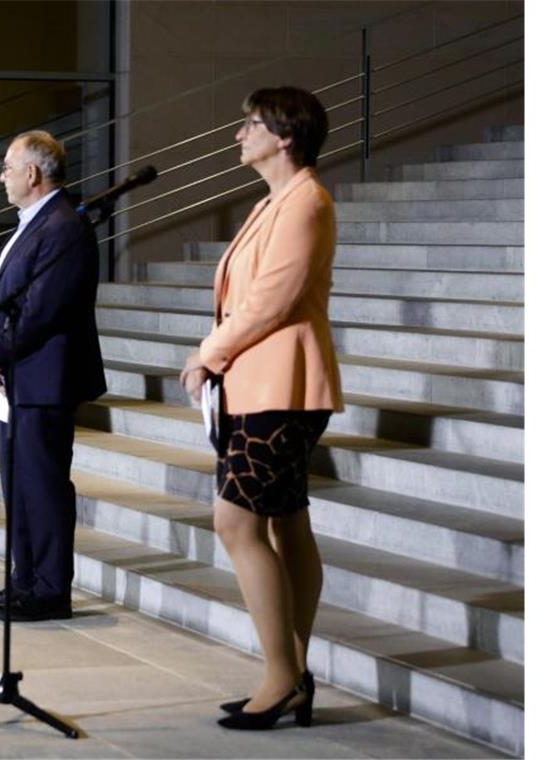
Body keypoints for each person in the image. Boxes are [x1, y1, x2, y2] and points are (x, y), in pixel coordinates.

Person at [180, 87, 342, 730]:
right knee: (284, 522)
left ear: (284, 134)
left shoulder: (308, 201)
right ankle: (293, 671)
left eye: (249, 124)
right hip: (260, 385)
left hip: (284, 387)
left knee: (235, 522)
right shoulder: (273, 201)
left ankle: (281, 676)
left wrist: (207, 353)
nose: (238, 134)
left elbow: (272, 300)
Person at [0, 130, 106, 622]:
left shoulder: (64, 226)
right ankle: (23, 580)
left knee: (43, 485)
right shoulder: (31, 223)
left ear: (31, 173)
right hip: (17, 377)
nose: (1, 175)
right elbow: (1, 300)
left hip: (44, 378)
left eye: (7, 167)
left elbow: (43, 310)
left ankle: (50, 590)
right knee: (18, 485)